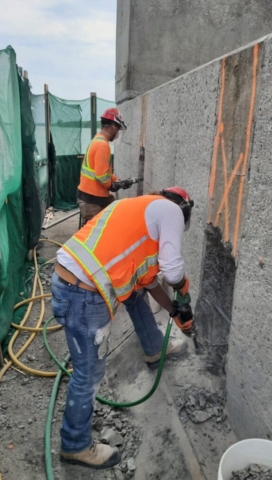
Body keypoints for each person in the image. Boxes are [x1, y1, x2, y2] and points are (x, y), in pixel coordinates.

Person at [51, 187, 195, 470]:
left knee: (134, 295)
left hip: (72, 281)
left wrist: (174, 310)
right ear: (182, 209)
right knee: (89, 372)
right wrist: (183, 290)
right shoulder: (172, 211)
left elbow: (148, 283)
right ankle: (75, 445)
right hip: (84, 292)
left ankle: (154, 349)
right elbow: (173, 269)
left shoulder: (134, 211)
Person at [77, 107, 131, 225]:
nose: (117, 134)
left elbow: (103, 171)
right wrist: (112, 185)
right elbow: (101, 177)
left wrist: (117, 181)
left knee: (115, 210)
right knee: (94, 237)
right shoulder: (103, 146)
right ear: (112, 128)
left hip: (91, 196)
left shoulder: (97, 139)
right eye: (118, 129)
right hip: (91, 200)